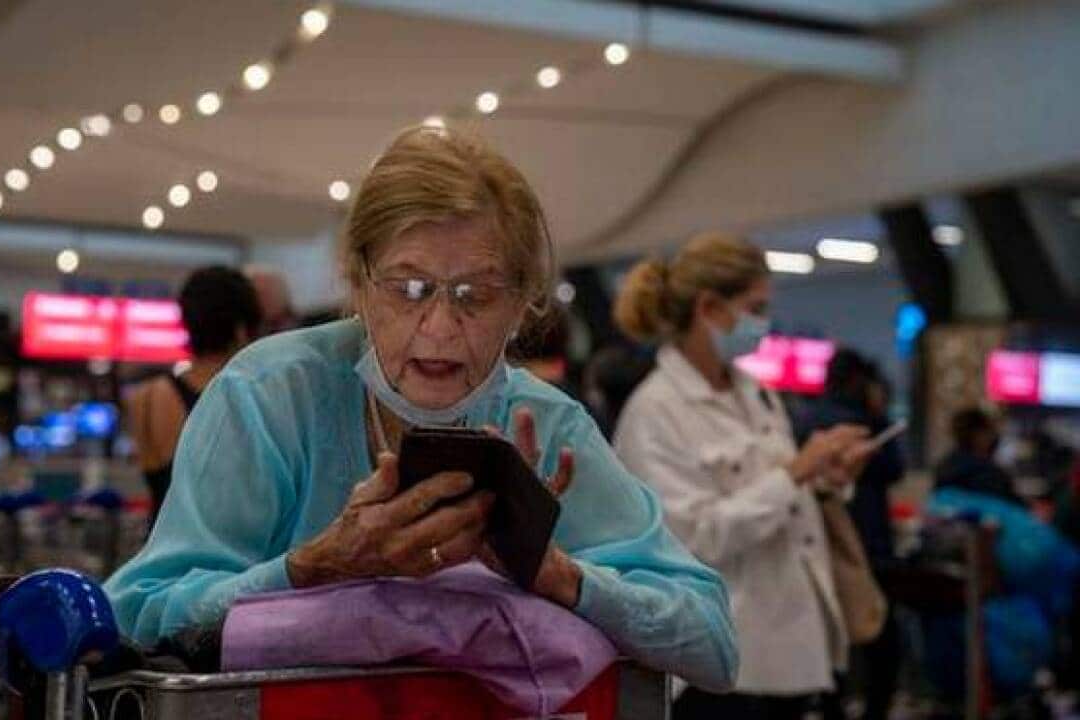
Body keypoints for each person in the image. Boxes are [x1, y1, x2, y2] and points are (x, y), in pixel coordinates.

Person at [104, 125, 739, 692]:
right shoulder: (271, 396)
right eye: (408, 290)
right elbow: (137, 613)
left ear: (523, 304)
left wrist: (561, 576)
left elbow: (712, 644)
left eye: (477, 294)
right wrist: (312, 566)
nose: (438, 328)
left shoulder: (548, 427)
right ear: (358, 283)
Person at [611, 232, 872, 720]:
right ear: (709, 307)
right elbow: (689, 539)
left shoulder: (756, 393)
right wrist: (794, 474)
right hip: (722, 661)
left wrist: (827, 478)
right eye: (755, 308)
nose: (763, 324)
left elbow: (781, 493)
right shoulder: (655, 412)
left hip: (790, 646)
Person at [798, 349, 905, 720]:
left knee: (832, 644)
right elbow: (894, 468)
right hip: (865, 547)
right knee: (881, 640)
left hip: (817, 545)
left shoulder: (805, 418)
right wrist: (879, 414)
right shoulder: (864, 424)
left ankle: (831, 709)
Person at [125, 266, 261, 528]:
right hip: (218, 559)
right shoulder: (244, 397)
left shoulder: (146, 396)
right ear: (242, 329)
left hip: (157, 551)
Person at [933, 407, 1021, 505]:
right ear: (979, 436)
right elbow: (1012, 507)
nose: (993, 438)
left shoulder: (944, 467)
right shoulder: (987, 472)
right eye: (989, 432)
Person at [244, 264, 299, 336]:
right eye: (259, 293)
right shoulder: (243, 332)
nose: (264, 299)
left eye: (270, 292)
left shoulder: (306, 327)